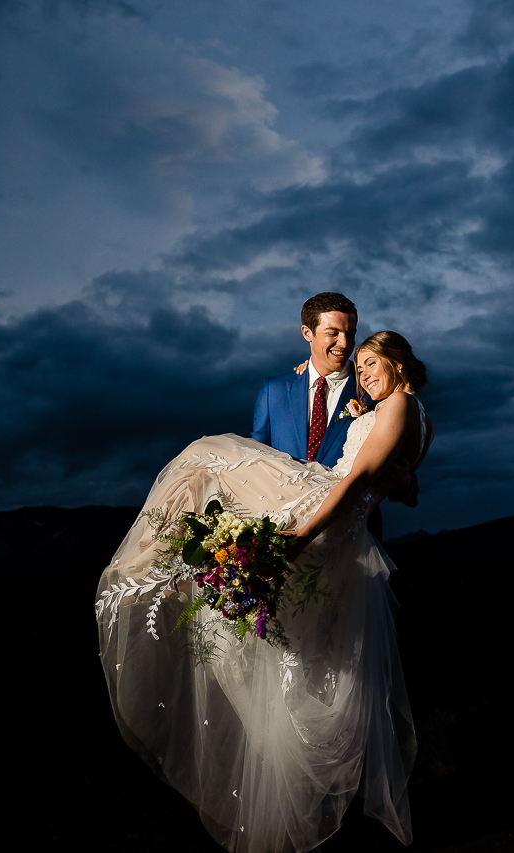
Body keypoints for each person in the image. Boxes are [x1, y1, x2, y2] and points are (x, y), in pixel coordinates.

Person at [95, 331, 433, 853]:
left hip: (328, 510)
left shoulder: (400, 405)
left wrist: (303, 534)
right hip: (340, 518)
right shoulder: (401, 409)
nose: (363, 372)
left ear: (399, 363)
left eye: (372, 362)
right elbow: (399, 474)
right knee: (300, 662)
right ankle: (175, 567)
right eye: (358, 364)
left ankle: (151, 567)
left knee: (205, 457)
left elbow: (359, 478)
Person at [251, 293, 418, 542]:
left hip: (351, 537)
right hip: (282, 531)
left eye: (350, 333)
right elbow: (254, 461)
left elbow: (405, 471)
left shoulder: (375, 390)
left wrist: (405, 486)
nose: (344, 343)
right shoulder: (274, 389)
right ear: (308, 333)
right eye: (333, 333)